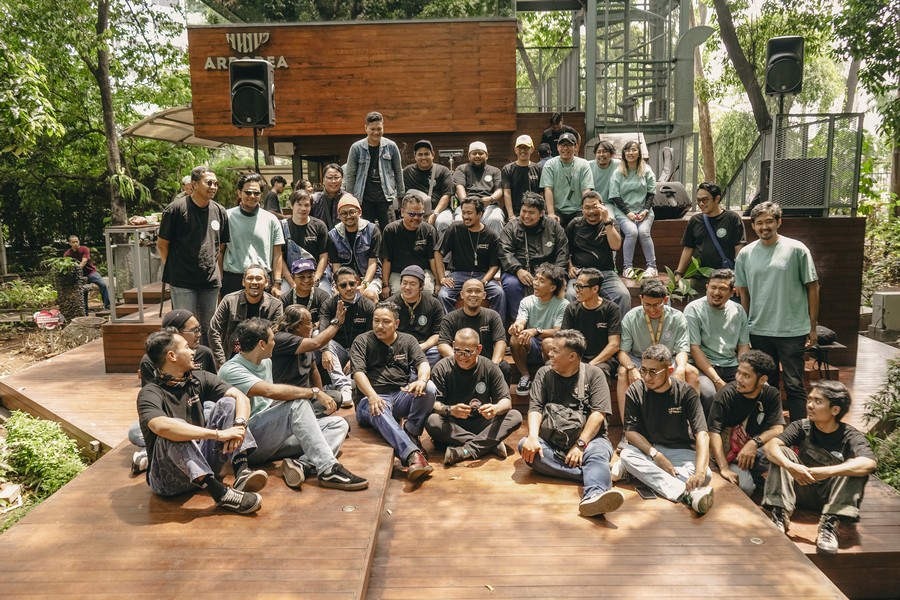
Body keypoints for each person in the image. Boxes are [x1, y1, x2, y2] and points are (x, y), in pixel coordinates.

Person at [218, 318, 367, 491]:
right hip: (249, 443)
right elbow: (269, 391)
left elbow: (270, 402)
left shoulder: (265, 361)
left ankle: (302, 465)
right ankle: (328, 469)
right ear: (261, 344)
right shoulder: (231, 370)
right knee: (298, 404)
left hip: (272, 437)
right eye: (272, 339)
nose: (275, 343)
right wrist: (314, 392)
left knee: (338, 424)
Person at [137, 331, 266, 514]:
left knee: (229, 403)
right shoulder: (150, 393)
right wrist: (218, 434)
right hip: (168, 481)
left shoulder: (198, 378)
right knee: (173, 429)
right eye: (186, 347)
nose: (193, 352)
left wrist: (239, 426)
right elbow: (160, 426)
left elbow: (241, 397)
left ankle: (242, 472)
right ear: (172, 356)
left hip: (204, 464)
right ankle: (221, 494)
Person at [518, 330, 624, 518]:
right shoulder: (544, 373)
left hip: (590, 440)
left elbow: (598, 414)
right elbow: (535, 408)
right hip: (552, 441)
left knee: (597, 453)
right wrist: (533, 437)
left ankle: (594, 497)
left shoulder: (594, 374)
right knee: (525, 447)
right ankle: (599, 474)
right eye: (550, 350)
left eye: (555, 351)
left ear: (572, 356)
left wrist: (580, 445)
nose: (549, 354)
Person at [763, 381, 877, 555]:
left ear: (835, 410)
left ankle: (829, 525)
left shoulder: (851, 435)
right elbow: (770, 447)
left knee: (855, 467)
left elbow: (869, 463)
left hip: (831, 497)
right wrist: (791, 466)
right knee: (781, 452)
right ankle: (780, 514)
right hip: (800, 490)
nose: (810, 405)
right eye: (809, 400)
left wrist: (826, 472)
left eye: (818, 401)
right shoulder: (801, 426)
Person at [735, 201, 819, 421]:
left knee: (794, 384)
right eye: (759, 223)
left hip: (792, 330)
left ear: (779, 222)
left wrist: (812, 327)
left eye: (769, 221)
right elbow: (744, 293)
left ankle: (800, 430)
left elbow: (813, 287)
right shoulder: (745, 254)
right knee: (766, 384)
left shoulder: (797, 249)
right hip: (759, 330)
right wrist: (744, 329)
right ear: (753, 226)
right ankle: (771, 428)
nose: (765, 227)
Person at [616, 344, 714, 515]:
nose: (647, 377)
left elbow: (702, 434)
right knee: (626, 454)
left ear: (669, 371)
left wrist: (699, 472)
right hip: (649, 450)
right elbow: (630, 432)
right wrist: (657, 456)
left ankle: (637, 472)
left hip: (681, 450)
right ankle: (687, 494)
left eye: (653, 372)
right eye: (643, 370)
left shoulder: (686, 392)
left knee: (705, 476)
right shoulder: (635, 390)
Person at [350, 301, 436, 482]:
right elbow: (358, 373)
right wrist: (371, 395)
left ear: (396, 323)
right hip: (370, 399)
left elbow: (423, 363)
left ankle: (412, 432)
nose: (379, 326)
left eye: (386, 322)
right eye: (376, 321)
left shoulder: (408, 340)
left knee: (429, 388)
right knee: (379, 408)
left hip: (400, 394)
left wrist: (421, 380)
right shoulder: (362, 340)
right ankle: (412, 454)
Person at [427, 328, 522, 465]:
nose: (462, 357)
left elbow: (506, 401)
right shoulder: (442, 368)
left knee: (515, 416)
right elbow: (435, 404)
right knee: (432, 421)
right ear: (453, 345)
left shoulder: (490, 367)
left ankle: (464, 451)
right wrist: (450, 410)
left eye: (468, 352)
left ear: (478, 349)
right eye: (457, 350)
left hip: (482, 421)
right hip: (454, 423)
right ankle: (490, 444)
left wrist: (495, 408)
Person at [158, 165, 229, 346]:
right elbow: (162, 244)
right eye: (209, 183)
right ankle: (186, 361)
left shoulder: (220, 211)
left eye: (216, 183)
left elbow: (221, 246)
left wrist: (218, 272)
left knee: (209, 328)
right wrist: (174, 270)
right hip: (182, 281)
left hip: (209, 281)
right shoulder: (176, 209)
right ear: (195, 184)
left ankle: (207, 361)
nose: (213, 187)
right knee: (185, 328)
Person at [617, 278, 699, 424]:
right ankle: (627, 427)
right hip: (639, 360)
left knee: (692, 372)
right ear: (641, 298)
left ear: (665, 300)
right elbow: (623, 352)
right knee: (623, 373)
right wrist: (631, 368)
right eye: (647, 304)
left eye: (656, 305)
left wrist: (680, 368)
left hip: (668, 360)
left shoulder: (677, 317)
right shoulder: (630, 317)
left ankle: (690, 424)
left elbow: (682, 350)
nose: (652, 310)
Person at [708, 350, 784, 497]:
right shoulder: (726, 394)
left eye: (746, 376)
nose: (739, 379)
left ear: (762, 379)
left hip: (755, 449)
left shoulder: (771, 394)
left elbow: (778, 429)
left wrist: (753, 443)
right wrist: (724, 468)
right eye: (738, 372)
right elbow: (713, 433)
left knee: (783, 453)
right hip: (730, 453)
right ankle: (752, 476)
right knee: (746, 488)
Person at [684, 269, 751, 413]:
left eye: (722, 289)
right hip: (704, 366)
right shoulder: (693, 309)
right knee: (709, 394)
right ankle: (709, 427)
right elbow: (694, 348)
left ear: (732, 292)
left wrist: (743, 370)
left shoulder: (738, 310)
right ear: (706, 287)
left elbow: (743, 346)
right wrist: (717, 381)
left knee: (759, 387)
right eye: (713, 287)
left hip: (731, 364)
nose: (716, 292)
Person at [499, 191, 569, 324]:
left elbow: (563, 252)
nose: (526, 216)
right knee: (511, 285)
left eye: (531, 212)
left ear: (542, 213)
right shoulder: (511, 226)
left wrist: (555, 275)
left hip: (549, 273)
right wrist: (518, 269)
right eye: (524, 211)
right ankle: (518, 324)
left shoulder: (553, 226)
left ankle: (551, 326)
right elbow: (504, 252)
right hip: (518, 270)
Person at [436, 197, 505, 317]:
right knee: (443, 295)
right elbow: (438, 252)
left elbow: (494, 266)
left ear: (480, 214)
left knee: (499, 293)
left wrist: (484, 281)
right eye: (463, 212)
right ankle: (449, 325)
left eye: (469, 213)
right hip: (458, 274)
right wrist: (442, 278)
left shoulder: (491, 235)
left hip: (482, 275)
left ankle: (497, 326)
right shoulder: (454, 228)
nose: (465, 216)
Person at [564, 190, 630, 316]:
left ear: (602, 207)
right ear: (582, 209)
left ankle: (617, 328)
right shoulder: (575, 224)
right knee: (571, 295)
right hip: (581, 273)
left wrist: (607, 221)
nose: (591, 211)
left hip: (605, 273)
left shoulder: (610, 223)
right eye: (587, 208)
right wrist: (570, 266)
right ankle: (576, 329)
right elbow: (565, 249)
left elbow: (615, 246)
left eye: (595, 207)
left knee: (623, 295)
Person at [319, 267, 376, 409]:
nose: (349, 288)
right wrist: (325, 350)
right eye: (343, 285)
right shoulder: (329, 304)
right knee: (320, 340)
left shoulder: (368, 305)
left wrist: (354, 359)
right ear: (336, 287)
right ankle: (345, 387)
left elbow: (370, 337)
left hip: (360, 353)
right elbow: (322, 331)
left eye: (352, 283)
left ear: (358, 283)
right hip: (337, 351)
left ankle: (339, 386)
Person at [508, 263, 569, 396]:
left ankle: (550, 377)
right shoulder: (527, 301)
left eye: (541, 281)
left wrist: (536, 331)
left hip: (552, 344)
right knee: (515, 338)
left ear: (552, 287)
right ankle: (525, 376)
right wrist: (517, 326)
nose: (535, 283)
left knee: (548, 342)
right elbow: (521, 320)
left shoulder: (563, 305)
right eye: (535, 278)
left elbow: (559, 332)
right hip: (532, 344)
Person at [221, 172, 285, 297]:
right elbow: (220, 251)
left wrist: (277, 282)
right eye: (248, 192)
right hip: (233, 279)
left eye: (256, 193)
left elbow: (277, 254)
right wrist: (220, 281)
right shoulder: (226, 217)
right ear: (239, 193)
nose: (252, 196)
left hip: (262, 280)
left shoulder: (271, 219)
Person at [271, 305, 344, 413]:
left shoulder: (305, 341)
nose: (312, 326)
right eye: (309, 322)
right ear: (297, 326)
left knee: (335, 397)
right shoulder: (281, 339)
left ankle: (308, 415)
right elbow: (317, 343)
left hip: (307, 396)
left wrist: (321, 395)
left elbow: (313, 370)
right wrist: (336, 323)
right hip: (286, 400)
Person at [674, 182, 746, 290]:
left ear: (717, 198)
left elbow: (739, 250)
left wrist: (739, 276)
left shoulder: (732, 219)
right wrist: (678, 272)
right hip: (699, 278)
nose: (701, 204)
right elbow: (688, 248)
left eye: (705, 200)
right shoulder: (695, 220)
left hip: (724, 279)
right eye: (698, 200)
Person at [209, 265, 284, 368]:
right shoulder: (229, 300)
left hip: (261, 361)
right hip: (231, 358)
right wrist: (221, 361)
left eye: (258, 278)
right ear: (243, 282)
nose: (254, 282)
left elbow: (276, 336)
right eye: (250, 278)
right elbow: (213, 330)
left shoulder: (275, 305)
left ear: (266, 282)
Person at [437, 278, 511, 382]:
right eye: (469, 291)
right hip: (459, 363)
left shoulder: (493, 316)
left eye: (477, 291)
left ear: (484, 295)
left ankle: (501, 393)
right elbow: (442, 345)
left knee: (504, 367)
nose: (473, 294)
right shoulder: (450, 318)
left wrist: (493, 365)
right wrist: (461, 360)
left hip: (486, 365)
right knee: (442, 367)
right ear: (462, 294)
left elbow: (500, 342)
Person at [344, 111, 404, 231]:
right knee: (366, 232)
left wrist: (401, 196)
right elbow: (350, 175)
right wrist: (350, 198)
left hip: (386, 199)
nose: (376, 132)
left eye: (379, 129)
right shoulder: (356, 148)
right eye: (372, 129)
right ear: (366, 128)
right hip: (364, 199)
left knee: (390, 231)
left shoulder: (391, 146)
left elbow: (398, 172)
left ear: (383, 128)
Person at [608, 140, 658, 278]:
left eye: (634, 150)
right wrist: (628, 212)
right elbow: (615, 195)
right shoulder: (618, 172)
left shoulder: (646, 170)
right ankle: (627, 267)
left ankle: (652, 267)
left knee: (643, 232)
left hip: (644, 212)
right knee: (632, 232)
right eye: (628, 150)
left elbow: (651, 192)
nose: (631, 153)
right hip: (624, 212)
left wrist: (645, 210)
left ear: (639, 153)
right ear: (624, 153)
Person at [562, 268, 621, 377]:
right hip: (577, 357)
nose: (576, 290)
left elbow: (614, 345)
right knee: (552, 366)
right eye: (576, 285)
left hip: (603, 360)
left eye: (580, 286)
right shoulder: (571, 308)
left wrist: (590, 364)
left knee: (596, 371)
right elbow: (564, 339)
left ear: (595, 289)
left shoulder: (611, 309)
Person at [381, 193, 441, 296]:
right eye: (412, 214)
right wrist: (385, 285)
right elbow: (387, 260)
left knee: (427, 292)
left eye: (420, 214)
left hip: (423, 272)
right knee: (399, 293)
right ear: (402, 212)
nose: (416, 218)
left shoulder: (429, 230)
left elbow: (433, 259)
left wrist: (438, 283)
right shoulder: (390, 230)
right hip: (398, 273)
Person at [326, 195, 383, 303]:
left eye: (352, 212)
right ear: (339, 215)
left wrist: (364, 284)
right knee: (337, 297)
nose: (348, 216)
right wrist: (342, 285)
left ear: (359, 212)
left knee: (369, 295)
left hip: (369, 277)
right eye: (344, 213)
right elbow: (336, 265)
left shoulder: (372, 230)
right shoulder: (333, 235)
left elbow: (373, 262)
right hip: (344, 278)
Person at [387, 266, 444, 367]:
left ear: (421, 286)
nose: (407, 287)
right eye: (404, 283)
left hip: (424, 347)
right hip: (399, 347)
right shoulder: (389, 304)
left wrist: (422, 346)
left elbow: (437, 334)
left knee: (436, 352)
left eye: (412, 284)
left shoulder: (434, 304)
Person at [139, 309, 216, 385]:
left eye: (199, 329)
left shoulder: (204, 353)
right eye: (195, 330)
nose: (199, 334)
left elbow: (214, 386)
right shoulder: (151, 360)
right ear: (176, 334)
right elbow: (150, 390)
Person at [279, 188, 329, 295]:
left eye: (307, 205)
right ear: (292, 205)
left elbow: (323, 256)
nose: (303, 208)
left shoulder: (319, 226)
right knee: (282, 295)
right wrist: (291, 282)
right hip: (290, 276)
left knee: (326, 294)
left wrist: (315, 279)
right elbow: (279, 257)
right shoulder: (282, 227)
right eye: (299, 204)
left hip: (315, 275)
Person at [540, 132, 594, 227]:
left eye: (569, 145)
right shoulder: (550, 164)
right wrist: (551, 213)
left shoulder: (583, 164)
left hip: (578, 210)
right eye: (562, 145)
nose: (565, 148)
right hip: (557, 210)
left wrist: (586, 210)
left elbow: (586, 190)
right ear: (558, 147)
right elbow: (548, 189)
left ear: (576, 147)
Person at [403, 139, 455, 236]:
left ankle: (443, 246)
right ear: (415, 156)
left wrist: (435, 214)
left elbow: (447, 195)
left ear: (433, 154)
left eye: (426, 154)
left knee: (444, 223)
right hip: (415, 212)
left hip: (439, 211)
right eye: (420, 154)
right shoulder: (407, 172)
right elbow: (401, 195)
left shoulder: (443, 171)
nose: (423, 157)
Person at [453, 141, 505, 234]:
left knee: (496, 219)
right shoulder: (462, 169)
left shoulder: (495, 171)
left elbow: (500, 189)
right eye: (474, 153)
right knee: (459, 221)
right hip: (467, 205)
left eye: (481, 153)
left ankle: (496, 243)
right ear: (469, 156)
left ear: (487, 156)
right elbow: (459, 187)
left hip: (489, 205)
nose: (477, 156)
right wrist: (466, 203)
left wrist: (491, 199)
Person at [501, 134, 543, 220]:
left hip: (534, 212)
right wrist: (511, 215)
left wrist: (542, 211)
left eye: (526, 147)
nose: (523, 150)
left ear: (532, 149)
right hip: (515, 213)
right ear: (515, 150)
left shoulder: (538, 168)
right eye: (520, 148)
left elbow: (541, 193)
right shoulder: (507, 169)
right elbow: (507, 193)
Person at [64, 234, 110, 313]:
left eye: (77, 241)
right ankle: (85, 311)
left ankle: (108, 306)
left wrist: (77, 269)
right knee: (83, 291)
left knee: (103, 285)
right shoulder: (67, 254)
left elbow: (84, 261)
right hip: (79, 275)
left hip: (91, 272)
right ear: (70, 243)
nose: (75, 244)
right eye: (73, 242)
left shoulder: (84, 249)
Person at [282, 258, 331, 326]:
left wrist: (311, 327)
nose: (306, 280)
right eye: (301, 277)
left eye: (310, 276)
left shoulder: (323, 296)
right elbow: (283, 322)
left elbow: (324, 320)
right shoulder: (285, 298)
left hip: (315, 329)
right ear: (292, 277)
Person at [311, 163, 348, 231]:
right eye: (330, 178)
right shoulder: (314, 200)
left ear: (342, 179)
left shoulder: (348, 199)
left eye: (336, 177)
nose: (333, 181)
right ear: (323, 180)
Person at [590, 139, 619, 204]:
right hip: (593, 202)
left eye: (605, 151)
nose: (601, 154)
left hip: (612, 204)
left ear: (611, 154)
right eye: (598, 152)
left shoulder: (618, 165)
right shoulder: (588, 166)